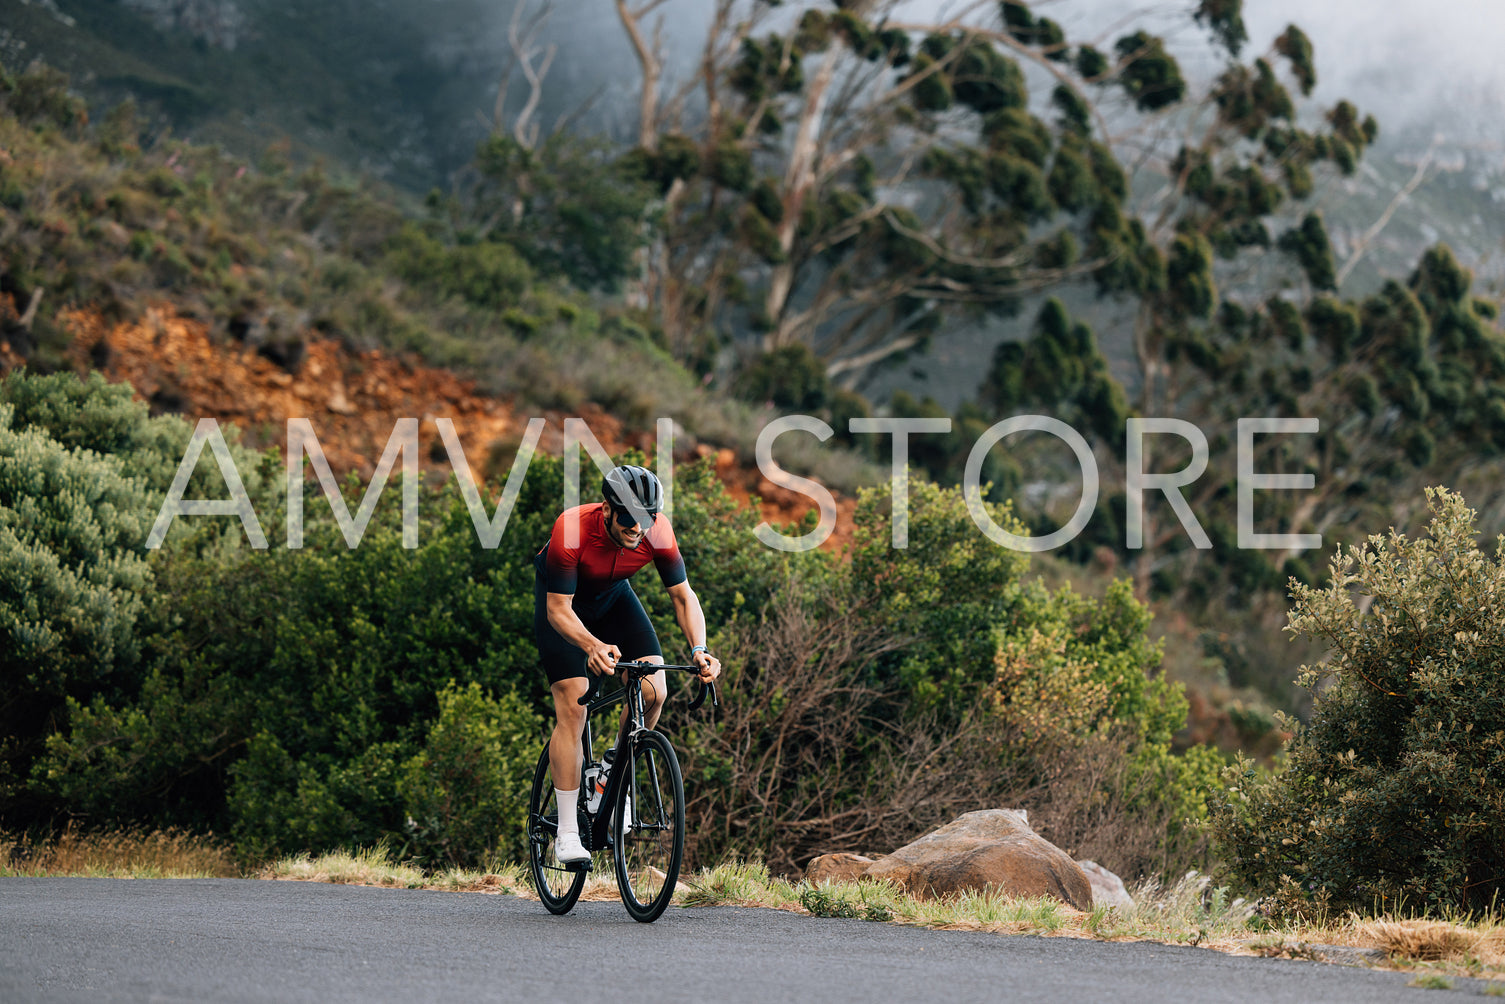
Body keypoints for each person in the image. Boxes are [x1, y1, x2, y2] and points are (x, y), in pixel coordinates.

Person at [534, 464, 721, 864]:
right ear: (606, 508)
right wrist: (591, 645)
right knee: (574, 703)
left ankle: (611, 773)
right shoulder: (572, 528)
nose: (639, 528)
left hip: (614, 599)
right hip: (566, 609)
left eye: (647, 519)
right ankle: (567, 832)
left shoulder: (658, 531)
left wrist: (699, 649)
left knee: (655, 689)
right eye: (629, 519)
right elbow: (557, 609)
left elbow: (684, 597)